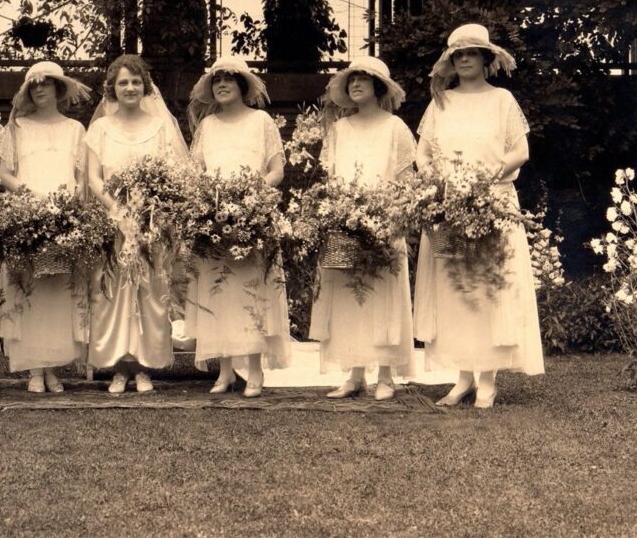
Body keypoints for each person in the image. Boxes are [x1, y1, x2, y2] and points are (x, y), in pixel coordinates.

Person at [413, 23, 545, 409]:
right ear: (451, 62)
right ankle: (462, 378)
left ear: (486, 59)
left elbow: (519, 151)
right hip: (449, 207)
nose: (465, 59)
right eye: (458, 54)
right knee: (456, 289)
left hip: (493, 203)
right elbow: (423, 155)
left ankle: (487, 380)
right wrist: (441, 184)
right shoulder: (441, 102)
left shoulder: (502, 100)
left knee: (489, 289)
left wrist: (484, 181)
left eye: (472, 53)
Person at [309, 56, 417, 401]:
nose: (356, 85)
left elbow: (405, 181)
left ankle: (385, 375)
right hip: (345, 222)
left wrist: (386, 214)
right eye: (351, 80)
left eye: (363, 80)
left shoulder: (395, 128)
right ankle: (354, 374)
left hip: (383, 223)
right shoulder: (339, 129)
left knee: (382, 296)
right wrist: (340, 212)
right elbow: (331, 178)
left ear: (378, 87)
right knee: (346, 295)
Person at [184, 56, 292, 398]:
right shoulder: (207, 126)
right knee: (218, 292)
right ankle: (226, 370)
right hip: (214, 220)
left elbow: (276, 170)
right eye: (217, 80)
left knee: (251, 292)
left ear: (243, 85)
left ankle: (255, 370)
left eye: (230, 79)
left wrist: (250, 198)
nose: (222, 84)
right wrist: (209, 205)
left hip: (252, 219)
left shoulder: (261, 121)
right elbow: (195, 172)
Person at [84, 54, 189, 394]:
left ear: (145, 87)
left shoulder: (161, 127)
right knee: (112, 294)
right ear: (112, 89)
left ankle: (144, 368)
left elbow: (173, 175)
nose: (130, 88)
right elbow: (94, 178)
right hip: (112, 223)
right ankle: (118, 368)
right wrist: (118, 211)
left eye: (135, 82)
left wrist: (149, 213)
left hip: (152, 223)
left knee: (151, 292)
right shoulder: (99, 129)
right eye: (123, 82)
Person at [0, 61, 92, 393]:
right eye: (33, 85)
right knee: (29, 289)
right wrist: (31, 201)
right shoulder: (16, 128)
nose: (40, 90)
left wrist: (69, 211)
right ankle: (35, 369)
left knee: (58, 292)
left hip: (63, 219)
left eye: (46, 84)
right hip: (28, 216)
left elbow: (81, 179)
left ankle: (54, 368)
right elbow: (5, 174)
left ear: (58, 89)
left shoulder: (75, 130)